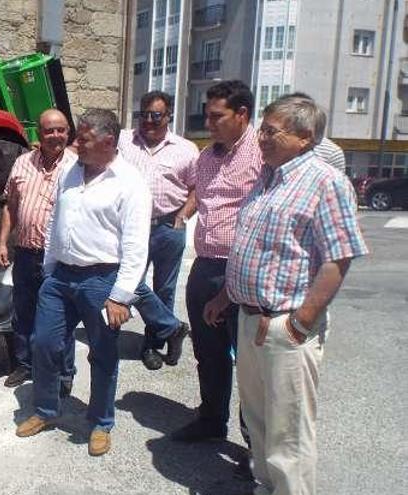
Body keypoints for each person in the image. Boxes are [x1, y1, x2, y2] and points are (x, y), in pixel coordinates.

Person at [207, 94, 368, 495]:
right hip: (247, 318)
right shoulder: (266, 179)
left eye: (270, 131)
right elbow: (255, 248)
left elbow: (338, 258)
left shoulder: (325, 182)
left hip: (285, 325)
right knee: (258, 420)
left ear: (304, 136)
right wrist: (226, 296)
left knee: (289, 432)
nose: (260, 137)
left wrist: (301, 323)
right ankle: (265, 486)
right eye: (261, 129)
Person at [15, 109, 151, 457]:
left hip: (101, 281)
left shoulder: (130, 182)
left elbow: (136, 246)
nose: (76, 144)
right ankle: (45, 410)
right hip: (60, 277)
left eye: (84, 139)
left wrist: (120, 296)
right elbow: (55, 221)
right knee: (43, 344)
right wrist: (49, 269)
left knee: (103, 354)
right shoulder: (71, 172)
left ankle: (102, 421)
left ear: (108, 141)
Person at [170, 80, 263, 443]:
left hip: (241, 270)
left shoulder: (261, 154)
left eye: (217, 116)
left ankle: (254, 442)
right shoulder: (206, 157)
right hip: (205, 265)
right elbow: (202, 201)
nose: (209, 123)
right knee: (207, 352)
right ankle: (211, 419)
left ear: (242, 114)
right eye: (207, 115)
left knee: (250, 363)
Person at [0, 109, 78, 391]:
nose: (56, 136)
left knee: (59, 317)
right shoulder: (21, 163)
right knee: (23, 311)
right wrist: (2, 242)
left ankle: (64, 373)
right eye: (49, 131)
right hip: (25, 251)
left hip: (58, 258)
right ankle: (24, 364)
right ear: (38, 135)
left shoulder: (78, 166)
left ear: (68, 132)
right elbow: (10, 206)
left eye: (61, 130)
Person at [118, 90, 196, 370]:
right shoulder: (124, 140)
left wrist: (184, 216)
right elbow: (90, 145)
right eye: (144, 114)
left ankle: (152, 346)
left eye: (156, 115)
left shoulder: (186, 149)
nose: (149, 120)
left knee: (165, 288)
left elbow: (196, 188)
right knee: (127, 281)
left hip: (168, 226)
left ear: (169, 115)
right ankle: (172, 327)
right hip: (131, 227)